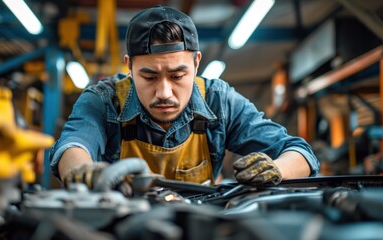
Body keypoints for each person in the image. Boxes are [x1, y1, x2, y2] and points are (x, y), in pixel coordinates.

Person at [50, 5, 320, 188]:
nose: (164, 93)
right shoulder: (103, 101)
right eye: (149, 77)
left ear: (196, 64)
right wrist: (81, 171)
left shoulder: (219, 101)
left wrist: (277, 169)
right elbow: (73, 146)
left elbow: (301, 153)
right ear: (129, 66)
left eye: (178, 76)